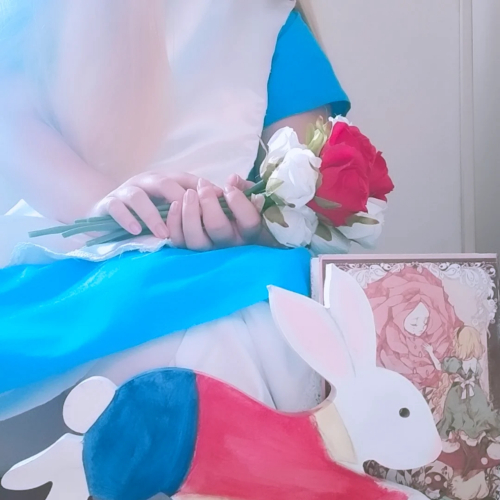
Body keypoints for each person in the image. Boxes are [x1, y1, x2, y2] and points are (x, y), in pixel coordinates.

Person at [0, 0, 350, 482]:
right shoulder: (38, 15)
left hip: (230, 261)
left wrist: (250, 222)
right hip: (78, 250)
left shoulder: (265, 17)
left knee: (247, 332)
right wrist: (106, 205)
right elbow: (14, 128)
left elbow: (301, 188)